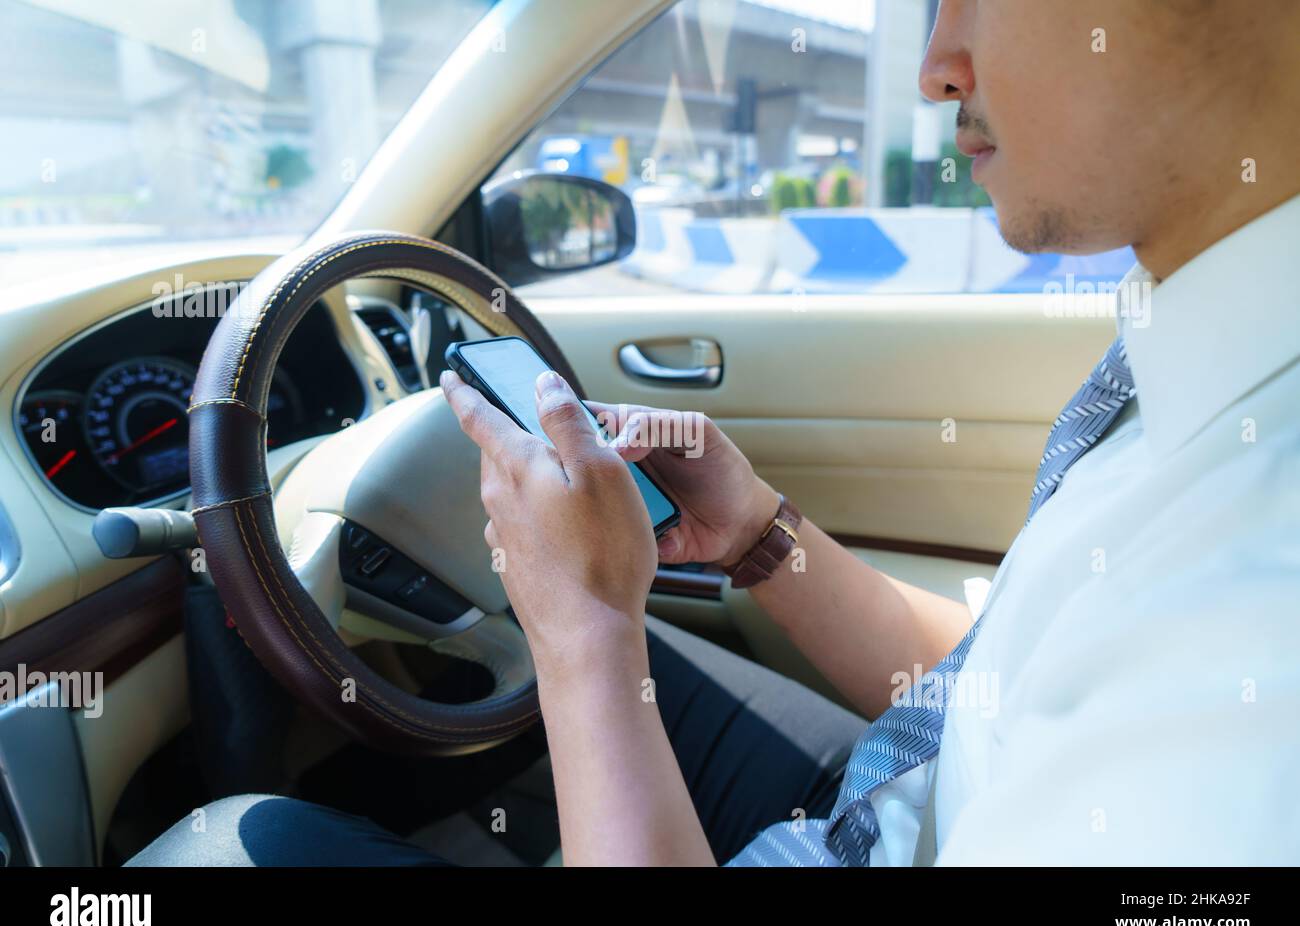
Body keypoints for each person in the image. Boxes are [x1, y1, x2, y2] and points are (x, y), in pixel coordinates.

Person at [132, 0, 1300, 866]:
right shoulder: (1195, 360)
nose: (940, 68)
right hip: (907, 802)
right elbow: (1007, 679)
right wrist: (758, 537)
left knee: (228, 848)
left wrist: (587, 632)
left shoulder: (1244, 689)